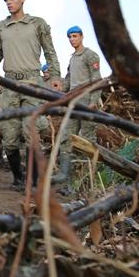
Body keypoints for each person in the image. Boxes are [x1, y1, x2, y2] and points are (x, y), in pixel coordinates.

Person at [0, 0, 62, 189]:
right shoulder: (0, 26)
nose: (9, 2)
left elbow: (50, 51)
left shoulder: (37, 24)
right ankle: (17, 178)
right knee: (9, 136)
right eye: (6, 0)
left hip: (32, 82)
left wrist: (55, 76)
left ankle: (32, 181)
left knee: (31, 132)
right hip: (9, 85)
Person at [56, 25, 103, 189]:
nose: (72, 40)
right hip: (73, 102)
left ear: (82, 37)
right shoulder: (72, 59)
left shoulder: (90, 55)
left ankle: (88, 180)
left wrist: (94, 101)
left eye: (75, 36)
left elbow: (97, 80)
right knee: (67, 139)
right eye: (70, 37)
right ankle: (68, 183)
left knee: (87, 140)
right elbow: (68, 81)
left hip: (87, 100)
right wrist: (60, 91)